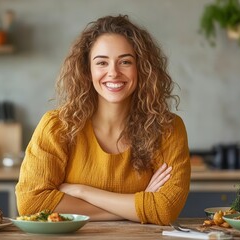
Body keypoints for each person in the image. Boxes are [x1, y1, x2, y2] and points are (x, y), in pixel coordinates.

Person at [15, 14, 190, 225]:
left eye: (125, 62)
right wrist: (136, 206)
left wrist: (82, 191)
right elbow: (31, 203)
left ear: (142, 68)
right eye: (102, 63)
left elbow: (164, 209)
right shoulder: (57, 127)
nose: (113, 73)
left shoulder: (167, 129)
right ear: (87, 70)